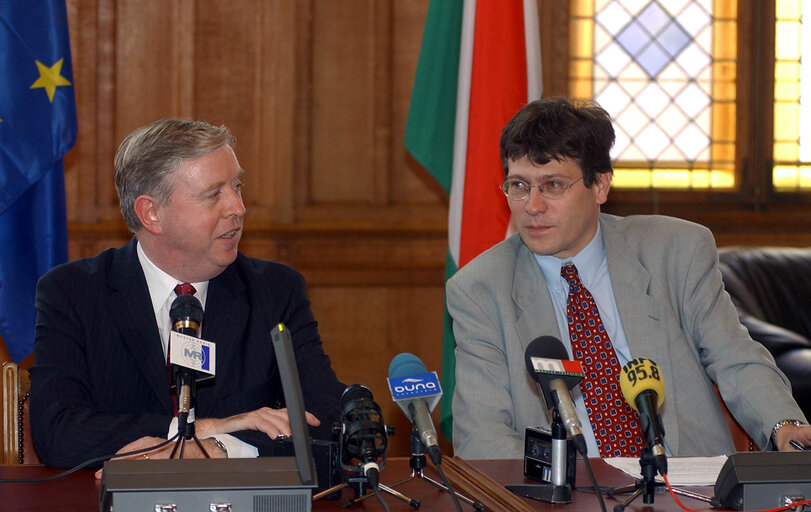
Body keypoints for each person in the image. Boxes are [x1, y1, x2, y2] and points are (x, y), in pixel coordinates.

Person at [448, 97, 811, 460]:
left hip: (688, 486)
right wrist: (575, 484)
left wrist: (783, 425)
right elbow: (482, 436)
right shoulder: (480, 290)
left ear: (600, 185)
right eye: (519, 185)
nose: (533, 206)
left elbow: (736, 359)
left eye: (553, 185)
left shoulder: (675, 253)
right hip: (568, 494)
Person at [30, 119, 346, 469]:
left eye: (236, 187)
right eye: (214, 194)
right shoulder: (74, 292)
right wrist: (201, 430)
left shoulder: (275, 291)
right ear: (152, 213)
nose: (238, 208)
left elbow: (324, 419)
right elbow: (56, 429)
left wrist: (221, 448)